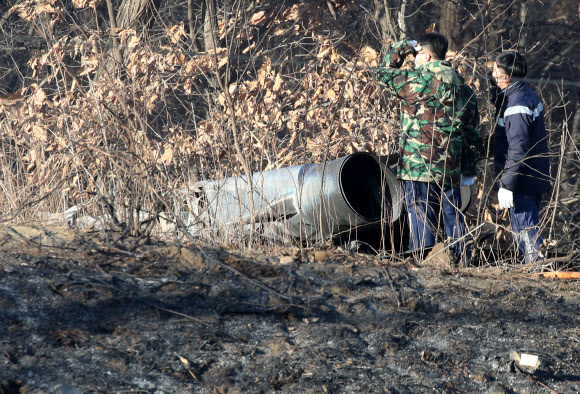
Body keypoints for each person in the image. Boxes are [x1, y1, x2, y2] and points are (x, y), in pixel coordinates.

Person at [375, 32, 483, 264]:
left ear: (425, 56)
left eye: (417, 54)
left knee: (422, 220)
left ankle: (425, 266)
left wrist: (404, 46)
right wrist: (468, 170)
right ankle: (463, 265)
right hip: (451, 169)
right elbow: (473, 135)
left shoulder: (415, 80)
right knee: (454, 218)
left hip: (417, 167)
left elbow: (382, 72)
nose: (414, 59)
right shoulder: (464, 89)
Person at [490, 51, 551, 265]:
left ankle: (537, 274)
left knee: (527, 234)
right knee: (524, 233)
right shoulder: (521, 96)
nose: (492, 74)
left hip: (522, 182)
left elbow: (517, 148)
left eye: (495, 70)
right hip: (526, 180)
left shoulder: (517, 103)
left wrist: (507, 184)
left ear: (506, 77)